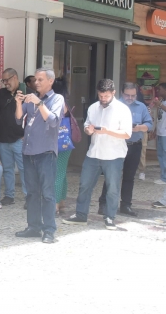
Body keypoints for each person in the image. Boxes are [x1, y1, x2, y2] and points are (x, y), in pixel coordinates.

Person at [63, 79, 132, 230]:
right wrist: (88, 130)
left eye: (106, 96)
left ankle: (109, 217)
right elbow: (87, 125)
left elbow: (127, 133)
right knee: (85, 185)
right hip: (93, 153)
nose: (103, 99)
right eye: (101, 96)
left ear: (113, 93)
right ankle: (81, 215)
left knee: (113, 188)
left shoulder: (122, 109)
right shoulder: (93, 107)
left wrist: (107, 131)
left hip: (114, 155)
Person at [14, 68, 64, 244]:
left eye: (41, 80)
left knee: (48, 194)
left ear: (50, 81)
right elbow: (19, 119)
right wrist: (19, 103)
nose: (37, 83)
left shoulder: (57, 99)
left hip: (46, 153)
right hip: (28, 152)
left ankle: (49, 230)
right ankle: (33, 227)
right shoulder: (32, 97)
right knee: (32, 193)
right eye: (36, 79)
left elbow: (53, 121)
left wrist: (40, 104)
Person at [96, 83, 152, 217]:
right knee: (111, 176)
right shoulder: (113, 106)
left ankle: (126, 205)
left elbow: (150, 124)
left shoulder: (141, 107)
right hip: (116, 145)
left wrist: (139, 128)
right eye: (127, 95)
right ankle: (103, 204)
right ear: (121, 93)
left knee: (129, 177)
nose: (130, 98)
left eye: (133, 95)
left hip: (135, 145)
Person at [0, 68, 27, 207]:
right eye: (3, 80)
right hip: (2, 138)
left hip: (20, 138)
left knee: (24, 169)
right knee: (7, 169)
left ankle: (29, 197)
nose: (5, 83)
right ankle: (9, 195)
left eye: (6, 80)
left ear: (15, 77)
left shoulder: (26, 92)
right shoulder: (0, 94)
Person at [52, 77, 73, 216]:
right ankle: (62, 201)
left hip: (56, 144)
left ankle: (55, 205)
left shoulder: (56, 103)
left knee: (57, 174)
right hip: (66, 143)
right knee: (62, 173)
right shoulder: (65, 103)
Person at [151, 83, 166, 208]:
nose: (158, 91)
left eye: (160, 89)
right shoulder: (162, 100)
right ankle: (163, 176)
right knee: (161, 155)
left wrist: (159, 104)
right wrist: (155, 129)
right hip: (161, 132)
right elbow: (160, 117)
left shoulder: (162, 102)